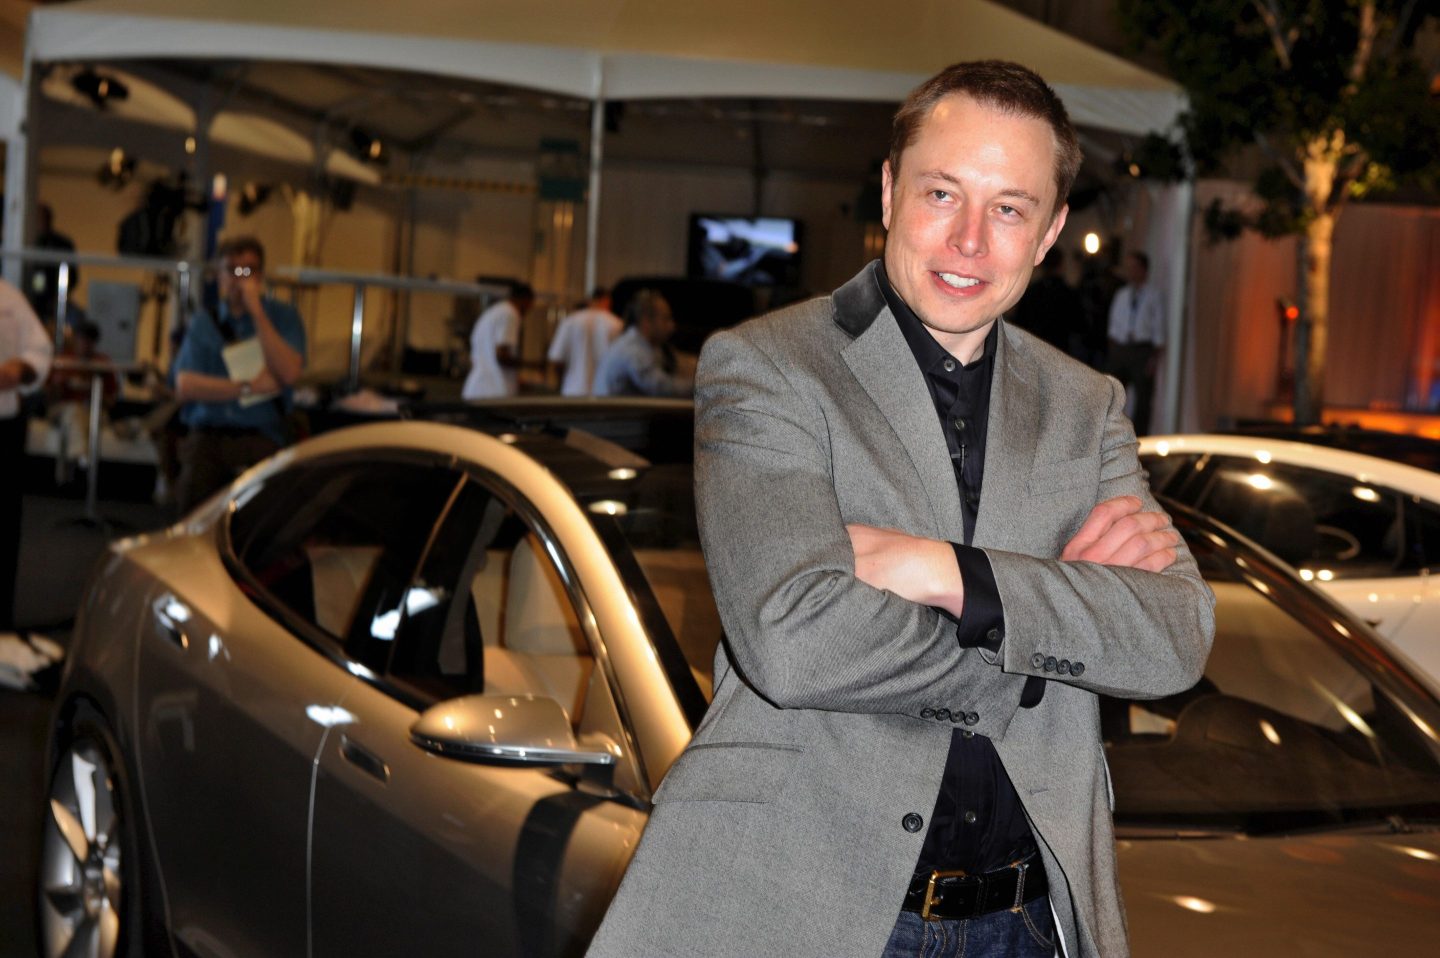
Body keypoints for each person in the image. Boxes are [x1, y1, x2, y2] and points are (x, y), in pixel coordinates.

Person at [587, 60, 1214, 958]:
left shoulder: (1086, 405)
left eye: (1009, 209)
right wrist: (1051, 636)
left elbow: (1175, 636)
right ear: (889, 192)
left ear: (1050, 232)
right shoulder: (769, 367)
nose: (969, 240)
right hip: (806, 911)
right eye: (941, 194)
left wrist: (945, 572)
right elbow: (794, 642)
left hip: (1028, 921)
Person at [172, 236, 305, 513]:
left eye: (248, 270)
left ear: (261, 275)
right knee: (193, 503)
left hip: (262, 435)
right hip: (209, 435)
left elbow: (290, 373)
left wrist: (258, 314)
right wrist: (249, 387)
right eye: (232, 270)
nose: (239, 279)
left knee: (265, 513)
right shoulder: (204, 322)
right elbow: (186, 384)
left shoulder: (284, 317)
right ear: (219, 275)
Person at [0, 279, 53, 631]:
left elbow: (39, 350)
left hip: (3, 426)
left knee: (4, 527)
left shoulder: (8, 297)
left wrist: (19, 369)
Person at [591, 289, 692, 397]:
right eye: (665, 319)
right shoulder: (633, 350)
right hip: (614, 408)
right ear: (646, 322)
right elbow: (660, 387)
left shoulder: (636, 344)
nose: (672, 326)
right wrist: (699, 386)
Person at [1106, 251, 1165, 434]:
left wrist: (1154, 357)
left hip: (1142, 349)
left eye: (1134, 268)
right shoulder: (1122, 294)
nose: (1131, 272)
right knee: (1114, 395)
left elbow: (1158, 326)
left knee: (1143, 399)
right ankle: (1112, 435)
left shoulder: (1154, 295)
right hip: (1122, 347)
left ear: (1143, 270)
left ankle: (1141, 437)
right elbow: (1114, 322)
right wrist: (1114, 348)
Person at [462, 282, 534, 399]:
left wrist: (515, 379)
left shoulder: (495, 312)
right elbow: (502, 356)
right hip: (494, 391)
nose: (529, 309)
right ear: (525, 300)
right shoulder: (510, 314)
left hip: (480, 387)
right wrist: (533, 365)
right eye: (530, 305)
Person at [546, 287, 623, 396]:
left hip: (574, 390)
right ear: (607, 301)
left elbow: (557, 360)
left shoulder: (570, 321)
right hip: (604, 392)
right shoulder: (616, 324)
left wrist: (561, 383)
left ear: (590, 300)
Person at [1010, 250, 1079, 352]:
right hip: (1061, 350)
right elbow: (1078, 325)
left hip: (1033, 349)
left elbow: (1020, 322)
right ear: (1061, 265)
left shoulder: (1032, 291)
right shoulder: (1068, 293)